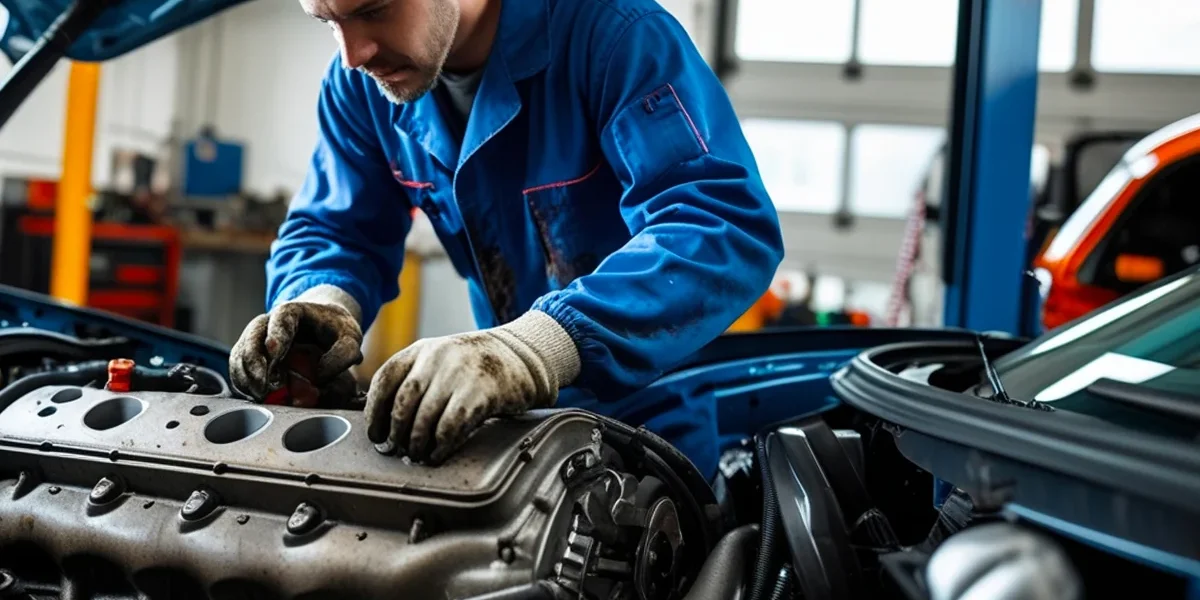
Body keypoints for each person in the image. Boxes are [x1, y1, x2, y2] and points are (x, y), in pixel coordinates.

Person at [229, 0, 784, 478]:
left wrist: (537, 345)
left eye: (375, 9)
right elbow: (337, 227)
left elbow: (718, 223)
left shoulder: (616, 35)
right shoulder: (360, 87)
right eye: (327, 21)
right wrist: (321, 302)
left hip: (648, 433)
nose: (354, 54)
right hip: (505, 431)